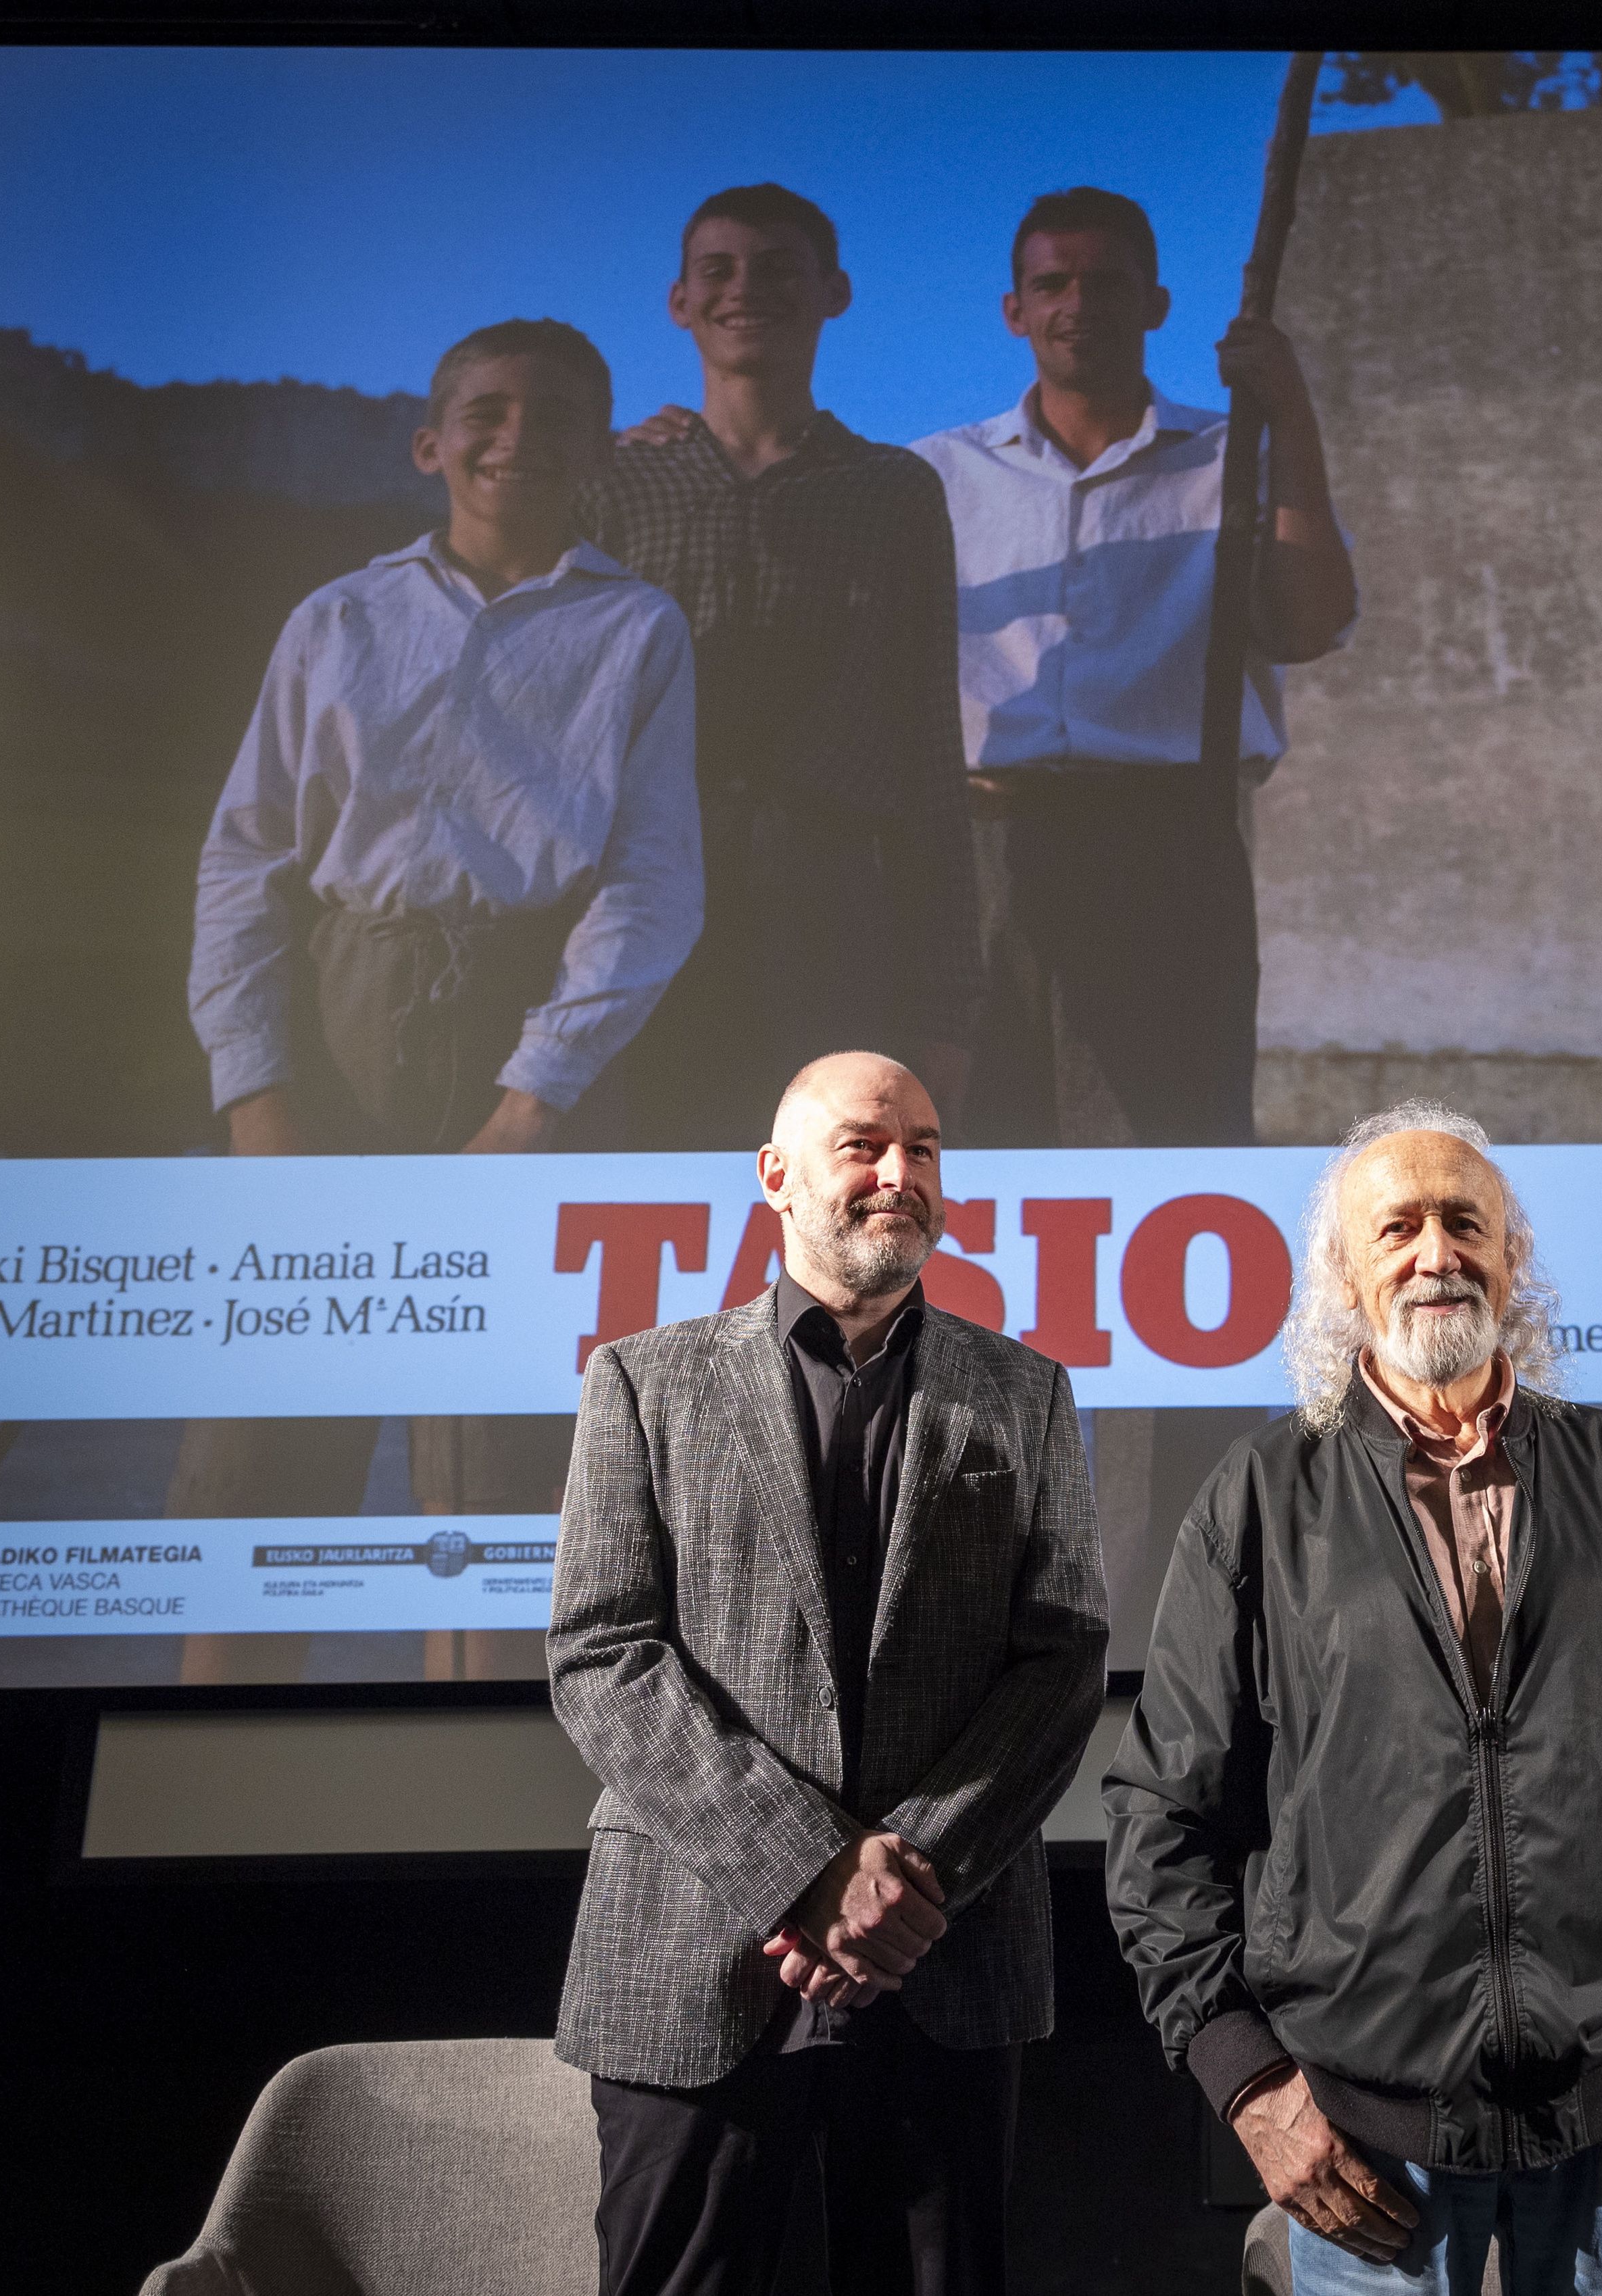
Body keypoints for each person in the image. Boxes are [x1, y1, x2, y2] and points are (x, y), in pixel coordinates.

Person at [1107, 1100, 1602, 2293]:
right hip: (1363, 2145)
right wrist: (1251, 2083)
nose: (1436, 1253)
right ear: (1345, 1273)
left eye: (1465, 1221)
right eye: (1398, 1228)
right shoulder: (1259, 1501)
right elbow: (1161, 1817)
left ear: (1513, 1257)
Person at [551, 1051, 1108, 2296]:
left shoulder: (1026, 1392)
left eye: (923, 1147)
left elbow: (1063, 1658)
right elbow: (603, 1652)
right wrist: (808, 1870)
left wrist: (902, 1881)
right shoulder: (643, 1380)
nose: (899, 1172)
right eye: (864, 1144)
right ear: (776, 1176)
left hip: (940, 1956)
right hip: (693, 1948)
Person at [178, 316, 698, 1544]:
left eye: (556, 421)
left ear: (597, 459)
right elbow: (247, 857)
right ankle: (219, 1730)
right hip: (337, 1019)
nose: (517, 441)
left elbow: (653, 882)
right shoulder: (337, 621)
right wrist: (257, 1094)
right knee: (250, 1466)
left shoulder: (638, 632)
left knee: (495, 1481)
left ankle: (464, 1727)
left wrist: (532, 1105)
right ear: (430, 443)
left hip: (527, 1032)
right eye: (486, 416)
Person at [910, 186, 1357, 1147]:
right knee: (980, 1139)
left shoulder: (1233, 458)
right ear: (1015, 310)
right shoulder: (937, 476)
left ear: (1155, 302)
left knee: (1167, 1140)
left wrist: (1292, 415)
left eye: (1108, 281)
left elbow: (1315, 622)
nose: (1080, 303)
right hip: (988, 848)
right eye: (1053, 282)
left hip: (1167, 845)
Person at [592, 184, 979, 1147]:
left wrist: (945, 1002)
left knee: (821, 1177)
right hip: (644, 886)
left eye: (775, 268)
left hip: (833, 897)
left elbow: (928, 737)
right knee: (649, 1167)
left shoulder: (890, 489)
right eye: (717, 271)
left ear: (833, 292)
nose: (744, 290)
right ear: (679, 302)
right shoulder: (615, 480)